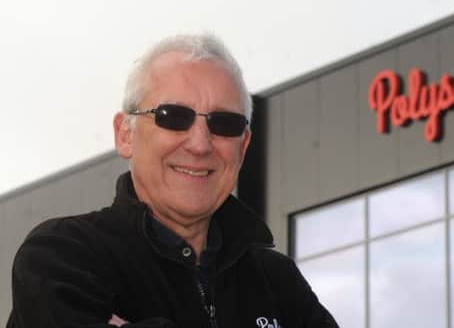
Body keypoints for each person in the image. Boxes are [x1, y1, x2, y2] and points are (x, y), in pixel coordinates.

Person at [7, 34, 338, 328]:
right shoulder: (64, 257)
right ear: (125, 134)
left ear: (244, 147)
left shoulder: (278, 284)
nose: (200, 144)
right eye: (173, 117)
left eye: (224, 123)